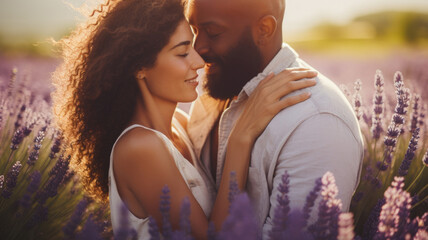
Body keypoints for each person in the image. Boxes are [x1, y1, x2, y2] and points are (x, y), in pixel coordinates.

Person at [51, 0, 317, 239]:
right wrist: (241, 135)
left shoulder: (178, 124)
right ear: (139, 67)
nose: (199, 61)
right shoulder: (139, 147)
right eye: (182, 53)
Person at [185, 0, 364, 236]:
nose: (197, 48)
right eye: (194, 31)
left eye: (213, 32)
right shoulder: (219, 93)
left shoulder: (316, 122)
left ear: (264, 29)